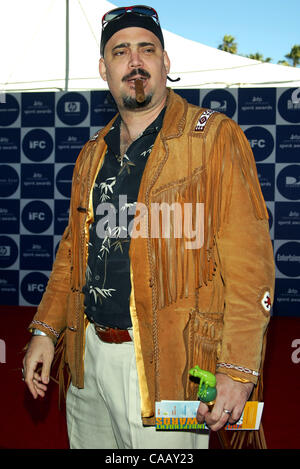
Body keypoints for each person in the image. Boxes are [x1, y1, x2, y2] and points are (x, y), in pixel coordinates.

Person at [23, 5, 275, 449]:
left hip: (170, 369)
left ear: (165, 62)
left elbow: (250, 266)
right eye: (121, 51)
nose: (135, 62)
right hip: (88, 361)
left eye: (147, 49)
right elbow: (72, 253)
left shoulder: (213, 137)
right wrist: (46, 330)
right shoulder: (92, 153)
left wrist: (237, 371)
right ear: (104, 68)